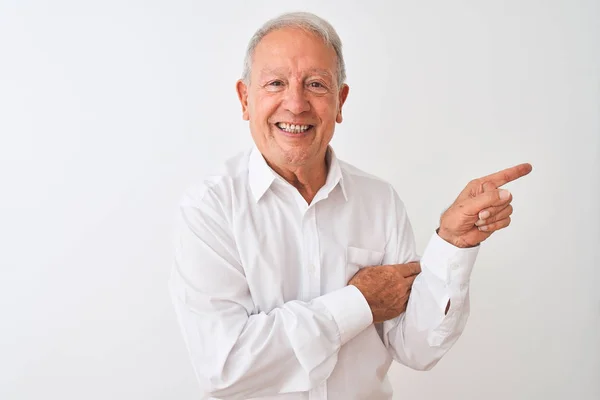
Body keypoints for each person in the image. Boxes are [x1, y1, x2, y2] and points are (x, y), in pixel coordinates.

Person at [168, 11, 532, 400]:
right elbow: (225, 367)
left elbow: (418, 348)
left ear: (340, 102)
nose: (295, 104)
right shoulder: (209, 209)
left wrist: (453, 244)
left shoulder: (379, 201)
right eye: (276, 83)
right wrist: (358, 303)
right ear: (245, 99)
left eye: (316, 85)